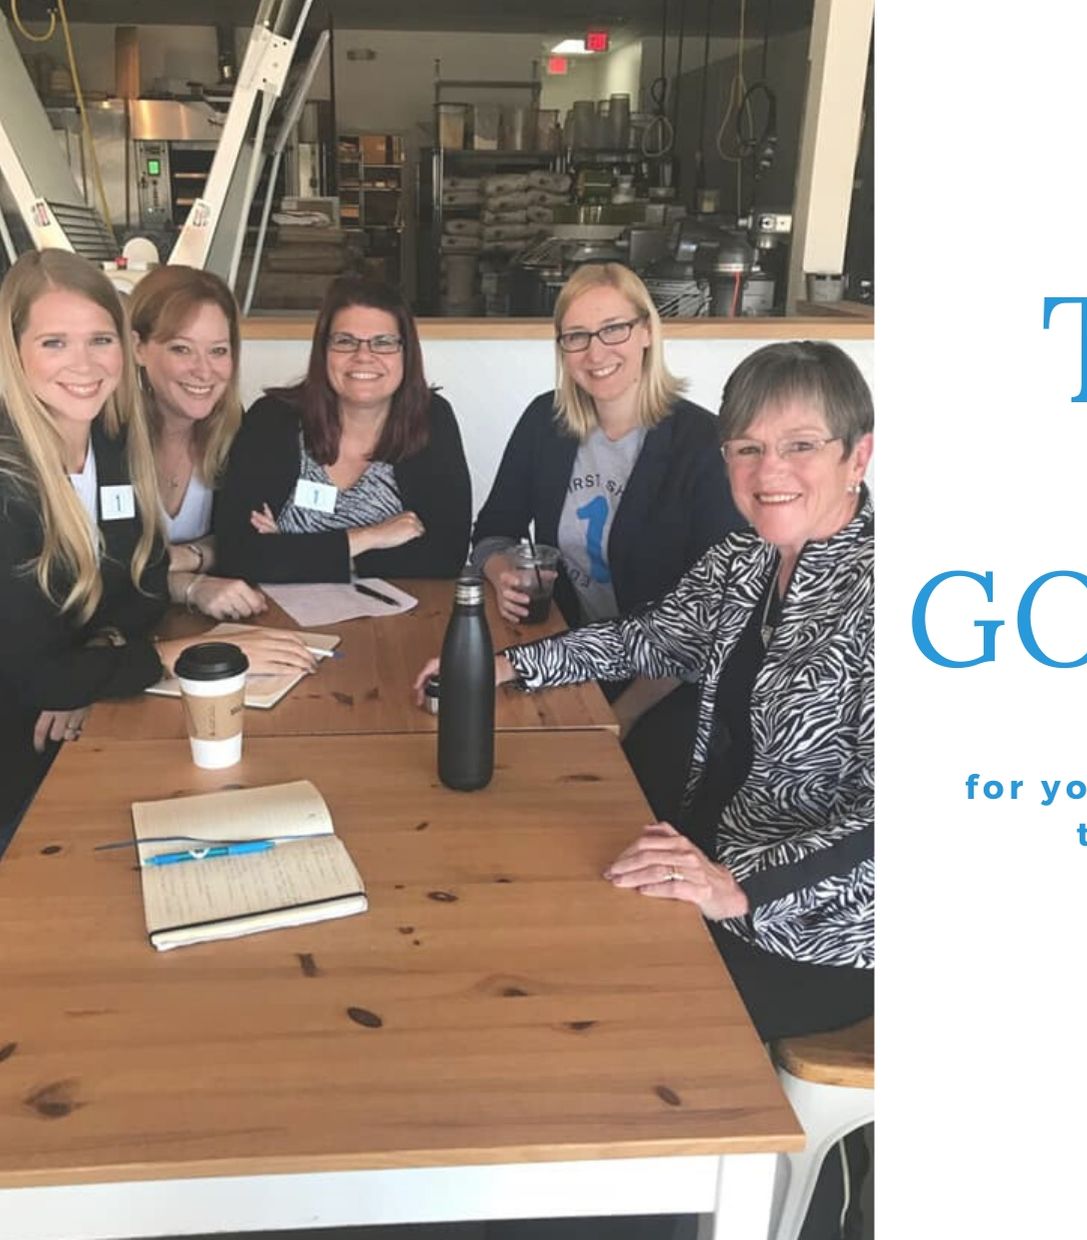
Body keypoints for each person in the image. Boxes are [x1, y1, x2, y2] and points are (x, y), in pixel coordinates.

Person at [418, 340, 874, 1042]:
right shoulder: (745, 557)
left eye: (800, 445)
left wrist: (738, 886)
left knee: (577, 1002)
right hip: (701, 861)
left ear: (858, 457)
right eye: (745, 448)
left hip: (811, 935)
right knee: (504, 902)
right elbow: (650, 637)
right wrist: (505, 667)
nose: (768, 471)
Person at [0, 252, 314, 847]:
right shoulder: (10, 476)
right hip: (18, 766)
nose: (85, 364)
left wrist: (95, 663)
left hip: (76, 729)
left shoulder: (107, 450)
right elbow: (38, 677)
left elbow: (139, 586)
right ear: (13, 352)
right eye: (54, 343)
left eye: (99, 339)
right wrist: (188, 650)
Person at [469, 261, 743, 819]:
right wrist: (502, 571)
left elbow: (711, 622)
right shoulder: (545, 423)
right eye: (577, 336)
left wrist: (625, 714)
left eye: (613, 328)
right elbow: (491, 530)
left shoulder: (702, 445)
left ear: (646, 331)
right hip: (568, 655)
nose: (596, 352)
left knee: (612, 813)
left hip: (667, 686)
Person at [213, 277, 469, 582]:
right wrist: (370, 537)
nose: (363, 355)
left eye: (383, 342)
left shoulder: (431, 419)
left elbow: (444, 558)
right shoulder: (272, 419)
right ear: (323, 351)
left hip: (397, 624)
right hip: (279, 622)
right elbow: (237, 554)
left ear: (406, 353)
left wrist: (291, 553)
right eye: (345, 341)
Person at [129, 263, 266, 620]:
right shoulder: (105, 435)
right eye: (181, 349)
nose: (204, 371)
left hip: (196, 627)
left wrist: (188, 556)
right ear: (138, 348)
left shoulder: (234, 429)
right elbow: (101, 570)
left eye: (218, 351)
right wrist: (190, 585)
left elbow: (246, 541)